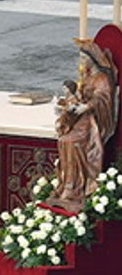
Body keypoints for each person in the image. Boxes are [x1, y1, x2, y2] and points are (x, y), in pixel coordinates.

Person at [47, 43, 117, 212]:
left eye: (85, 58)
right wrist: (66, 104)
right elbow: (79, 96)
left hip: (92, 120)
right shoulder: (86, 76)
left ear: (93, 59)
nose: (82, 61)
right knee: (64, 139)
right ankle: (67, 184)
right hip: (80, 118)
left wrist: (86, 107)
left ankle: (78, 187)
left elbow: (103, 100)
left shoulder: (101, 78)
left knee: (74, 142)